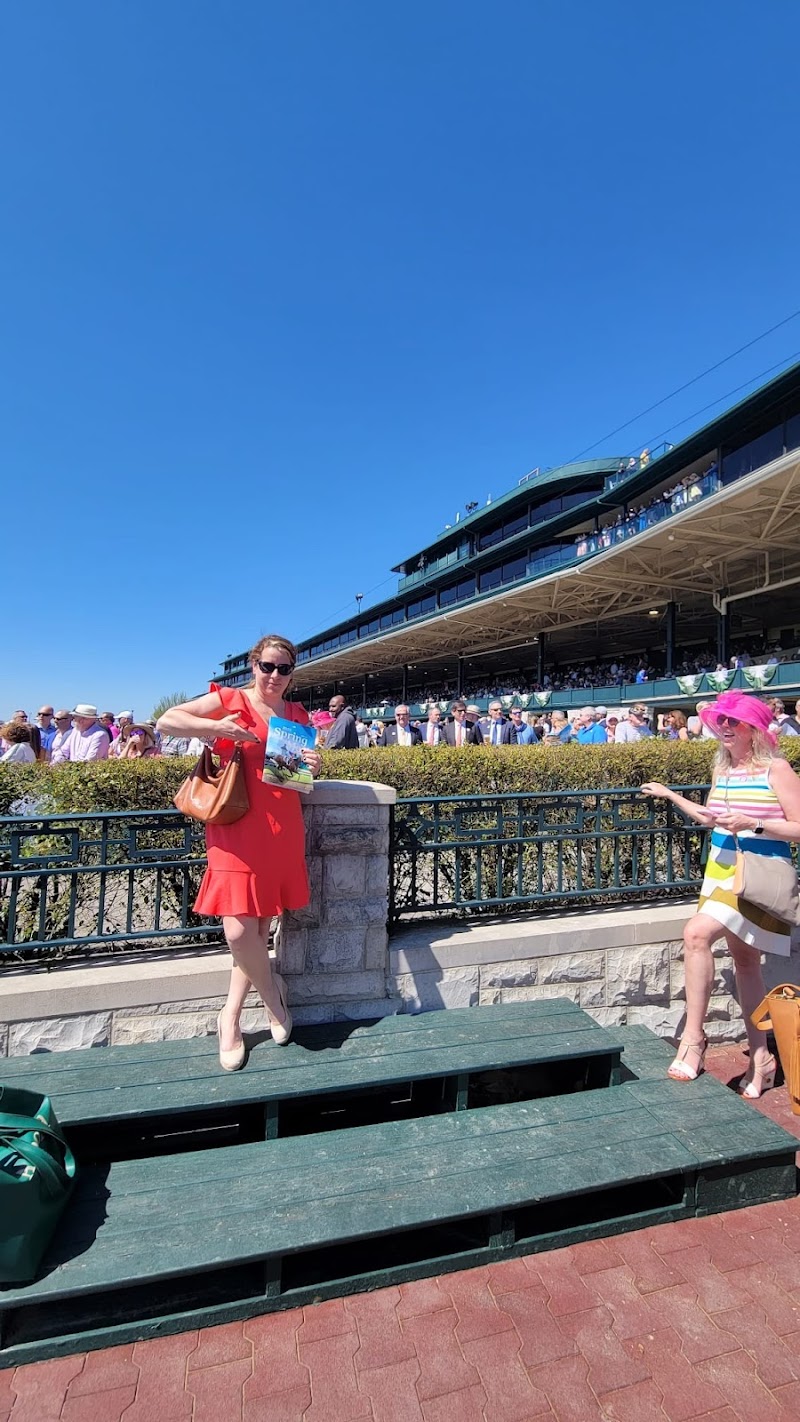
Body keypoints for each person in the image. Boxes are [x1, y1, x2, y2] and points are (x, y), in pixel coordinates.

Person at [156, 634, 321, 1069]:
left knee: (257, 929)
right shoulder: (230, 699)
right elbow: (167, 721)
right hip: (234, 826)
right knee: (237, 931)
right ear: (254, 665)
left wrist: (312, 767)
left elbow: (296, 776)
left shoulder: (298, 713)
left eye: (284, 669)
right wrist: (217, 728)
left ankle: (228, 1017)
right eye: (267, 666)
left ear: (292, 673)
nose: (274, 675)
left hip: (281, 824)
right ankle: (274, 1000)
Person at [641, 692, 800, 1092]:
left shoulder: (776, 769)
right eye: (721, 722)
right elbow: (711, 818)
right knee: (745, 963)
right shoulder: (723, 769)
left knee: (696, 934)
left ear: (753, 729)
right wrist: (672, 795)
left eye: (734, 722)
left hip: (757, 876)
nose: (724, 728)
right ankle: (761, 1057)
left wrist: (754, 823)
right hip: (719, 871)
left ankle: (693, 1040)